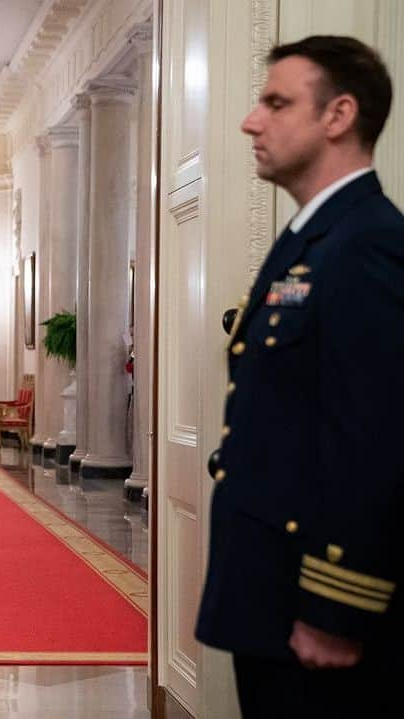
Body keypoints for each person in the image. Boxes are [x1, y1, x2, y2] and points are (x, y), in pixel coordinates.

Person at [195, 36, 403, 717]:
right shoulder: (309, 241)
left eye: (276, 103)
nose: (251, 121)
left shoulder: (367, 242)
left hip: (316, 606)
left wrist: (336, 603)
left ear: (338, 115)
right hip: (273, 589)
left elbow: (375, 434)